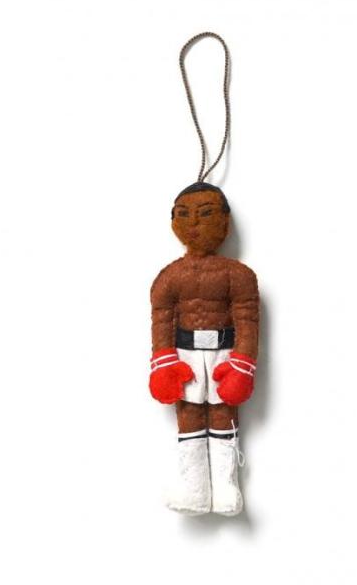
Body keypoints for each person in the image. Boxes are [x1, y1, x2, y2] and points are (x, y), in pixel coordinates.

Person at [149, 182, 259, 515]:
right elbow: (161, 318)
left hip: (225, 355)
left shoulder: (239, 276)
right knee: (189, 415)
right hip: (185, 358)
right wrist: (163, 364)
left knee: (225, 413)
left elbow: (248, 319)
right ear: (174, 221)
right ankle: (194, 490)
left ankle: (226, 488)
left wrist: (242, 366)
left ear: (224, 220)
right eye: (184, 215)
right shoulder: (168, 278)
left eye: (206, 214)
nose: (195, 223)